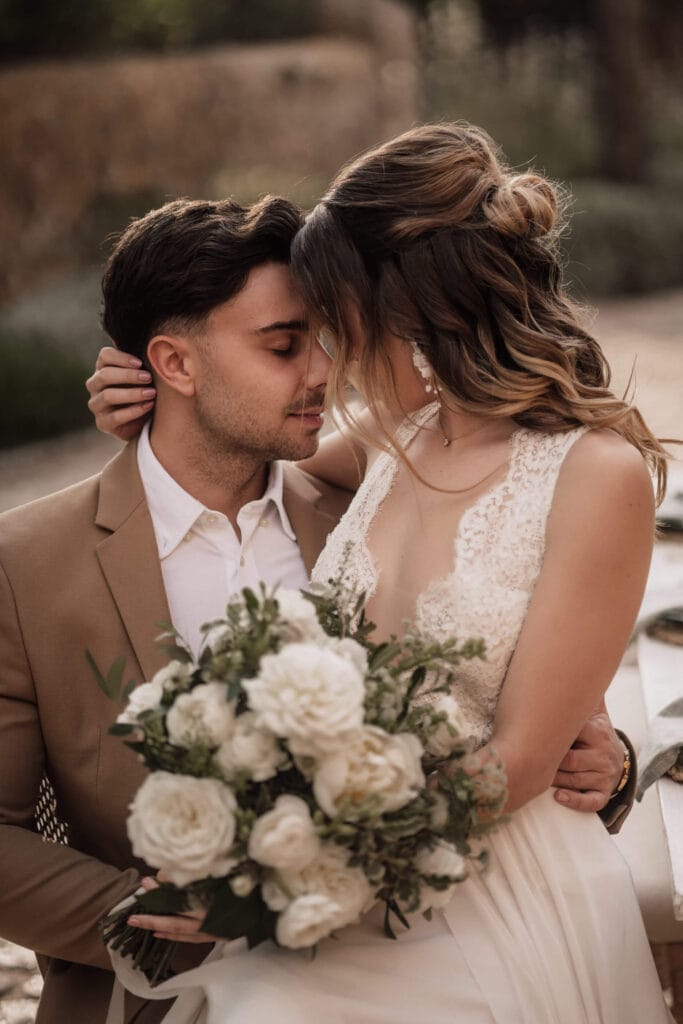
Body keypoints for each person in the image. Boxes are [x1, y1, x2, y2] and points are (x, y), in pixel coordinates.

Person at [85, 124, 670, 1023]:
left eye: (334, 322)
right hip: (365, 886)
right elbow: (256, 464)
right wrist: (161, 402)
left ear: (405, 308)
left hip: (494, 885)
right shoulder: (390, 441)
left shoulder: (593, 474)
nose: (326, 362)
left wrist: (269, 870)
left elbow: (516, 761)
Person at [0, 195, 351, 1024]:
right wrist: (154, 924)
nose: (321, 371)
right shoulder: (25, 564)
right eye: (283, 345)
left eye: (322, 338)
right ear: (176, 364)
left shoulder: (362, 518)